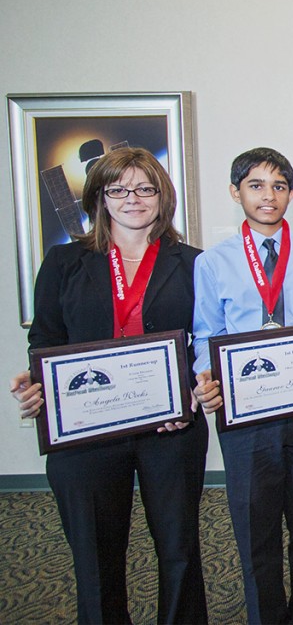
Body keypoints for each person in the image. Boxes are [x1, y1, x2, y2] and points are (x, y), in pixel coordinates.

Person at [9, 147, 208, 624]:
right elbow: (46, 341)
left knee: (179, 549)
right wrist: (37, 382)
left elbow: (204, 340)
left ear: (164, 197)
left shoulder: (195, 263)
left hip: (170, 429)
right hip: (86, 434)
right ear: (99, 197)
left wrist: (198, 386)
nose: (132, 199)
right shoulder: (63, 262)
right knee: (96, 558)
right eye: (117, 189)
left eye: (145, 188)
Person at [191, 147, 293, 625]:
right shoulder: (213, 262)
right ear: (235, 192)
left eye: (279, 186)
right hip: (247, 417)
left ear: (292, 194)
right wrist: (207, 374)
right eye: (256, 185)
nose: (269, 195)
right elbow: (205, 333)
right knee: (256, 530)